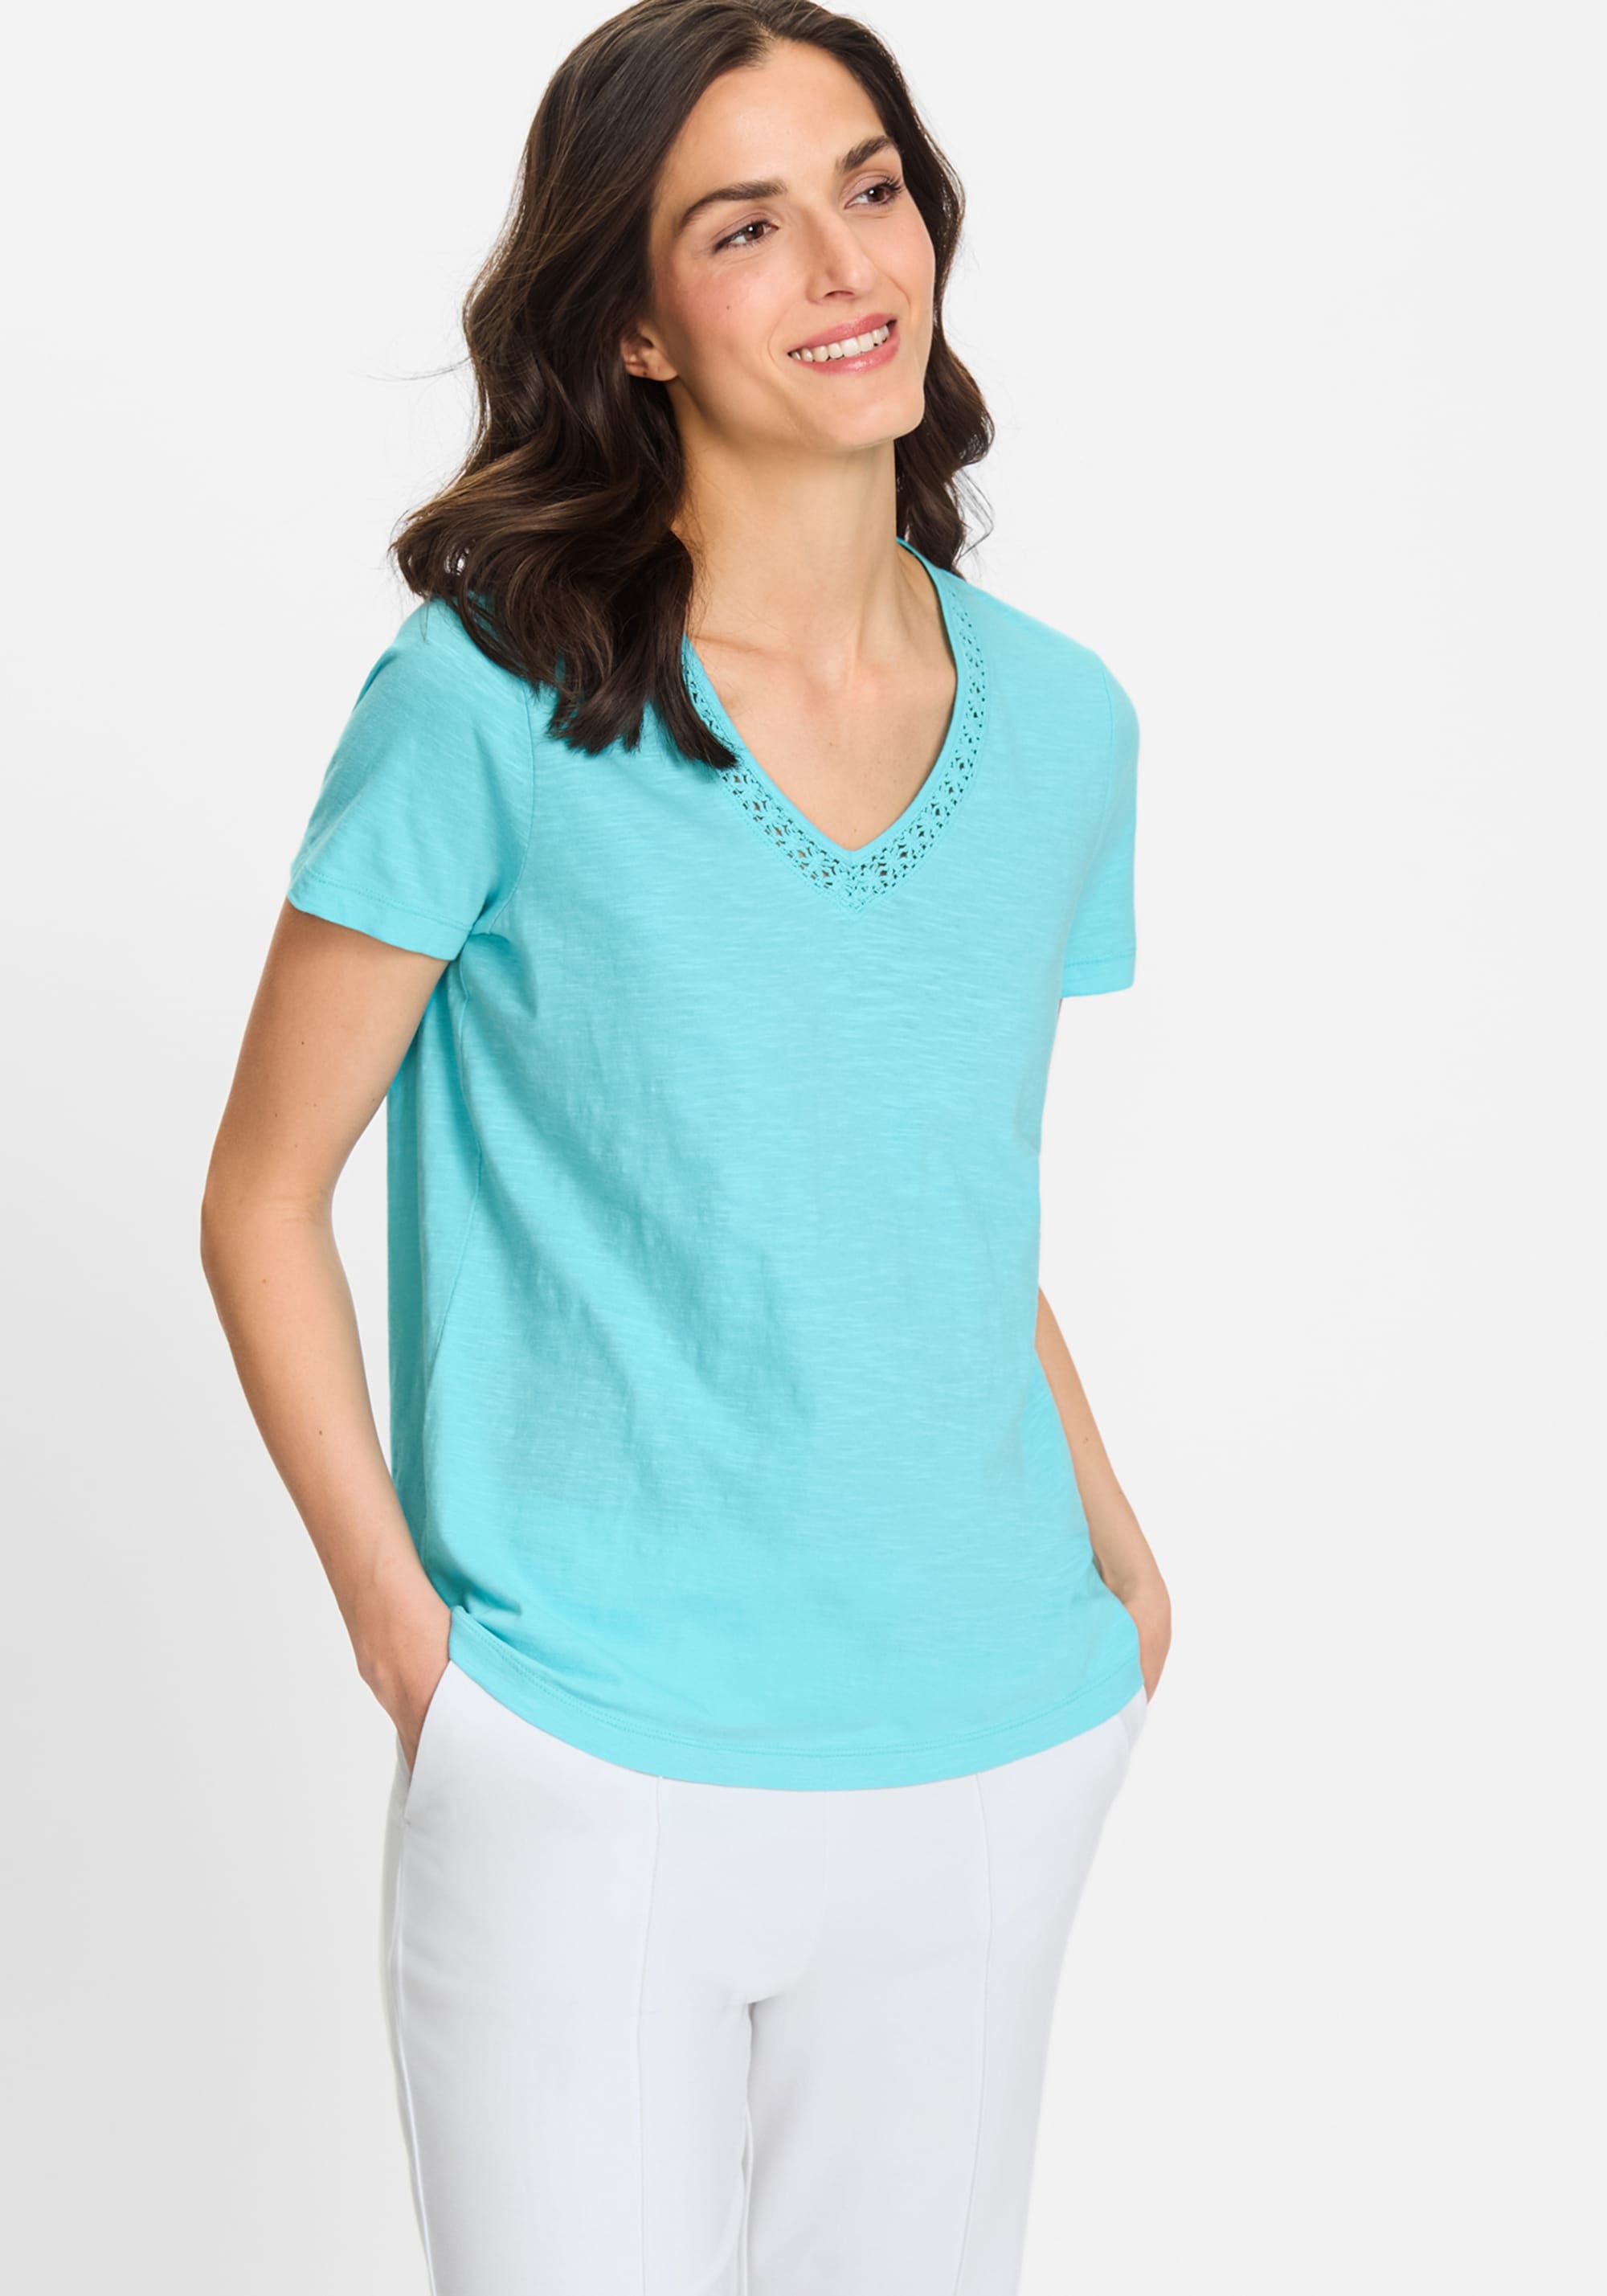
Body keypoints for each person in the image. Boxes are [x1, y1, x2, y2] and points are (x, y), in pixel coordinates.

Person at [199, 2, 1173, 2288]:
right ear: (632, 322)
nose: (845, 265)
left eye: (871, 186)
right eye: (744, 227)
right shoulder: (487, 697)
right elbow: (260, 1195)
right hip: (588, 1756)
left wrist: (1118, 1572)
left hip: (992, 1734)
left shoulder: (1064, 723)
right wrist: (419, 1655)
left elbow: (924, 1188)